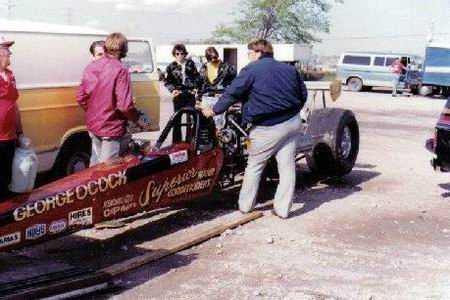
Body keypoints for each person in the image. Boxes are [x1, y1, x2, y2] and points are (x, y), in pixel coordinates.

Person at [201, 39, 308, 219]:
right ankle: (282, 210)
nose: (248, 56)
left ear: (258, 52)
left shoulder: (252, 69)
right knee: (287, 166)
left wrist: (214, 110)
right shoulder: (290, 69)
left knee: (255, 165)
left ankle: (245, 206)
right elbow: (303, 94)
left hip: (267, 127)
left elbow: (233, 92)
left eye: (249, 53)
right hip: (292, 122)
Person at [77, 32, 147, 166]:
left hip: (93, 125)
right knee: (109, 171)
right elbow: (125, 106)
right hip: (111, 128)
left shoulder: (91, 66)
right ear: (124, 50)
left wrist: (95, 112)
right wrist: (140, 120)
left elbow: (80, 97)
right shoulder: (121, 69)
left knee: (94, 166)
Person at [0, 38, 23, 201]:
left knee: (7, 174)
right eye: (7, 51)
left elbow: (14, 104)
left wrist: (20, 130)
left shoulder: (10, 74)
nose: (10, 55)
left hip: (10, 134)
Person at [164, 44, 200, 141]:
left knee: (192, 119)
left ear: (185, 54)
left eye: (182, 53)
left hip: (189, 94)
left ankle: (191, 141)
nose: (180, 55)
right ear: (174, 54)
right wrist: (173, 90)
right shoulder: (171, 67)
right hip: (178, 95)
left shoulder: (190, 64)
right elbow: (167, 81)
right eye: (177, 54)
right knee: (176, 119)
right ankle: (176, 143)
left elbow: (197, 77)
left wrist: (196, 88)